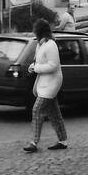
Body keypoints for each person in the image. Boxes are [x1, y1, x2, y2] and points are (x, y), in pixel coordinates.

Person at [23, 19, 68, 152]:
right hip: (44, 82)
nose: (33, 31)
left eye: (35, 29)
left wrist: (36, 68)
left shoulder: (51, 45)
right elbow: (39, 62)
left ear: (40, 31)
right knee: (54, 113)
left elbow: (53, 66)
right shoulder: (40, 45)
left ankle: (34, 142)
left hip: (52, 82)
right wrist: (33, 66)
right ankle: (63, 141)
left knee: (37, 110)